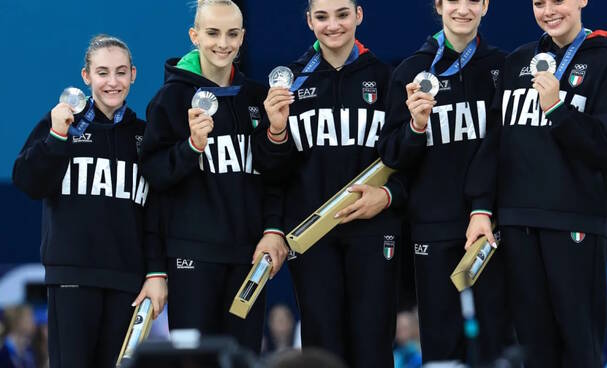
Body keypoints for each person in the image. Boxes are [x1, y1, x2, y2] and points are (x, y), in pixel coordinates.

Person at [465, 0, 607, 366]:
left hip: (576, 220)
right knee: (534, 347)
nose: (548, 11)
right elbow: (495, 141)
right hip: (518, 221)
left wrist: (557, 108)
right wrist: (481, 206)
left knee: (578, 343)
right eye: (539, 3)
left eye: (557, 1)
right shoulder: (518, 62)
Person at [254, 0, 405, 366]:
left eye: (341, 14)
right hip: (312, 237)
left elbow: (410, 162)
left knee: (373, 346)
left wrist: (386, 197)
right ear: (308, 21)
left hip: (373, 231)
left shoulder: (387, 78)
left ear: (359, 15)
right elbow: (271, 173)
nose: (332, 25)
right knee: (322, 349)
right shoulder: (288, 82)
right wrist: (275, 130)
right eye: (321, 16)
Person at [140, 0, 288, 353]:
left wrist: (272, 229)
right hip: (192, 256)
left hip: (248, 259)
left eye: (232, 34)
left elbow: (275, 175)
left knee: (243, 356)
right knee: (193, 359)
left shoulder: (256, 97)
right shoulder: (171, 99)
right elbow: (154, 177)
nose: (223, 43)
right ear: (194, 36)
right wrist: (191, 146)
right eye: (212, 33)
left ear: (243, 37)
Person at [12, 35, 168, 367]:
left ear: (134, 74)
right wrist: (56, 137)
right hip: (72, 277)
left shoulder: (144, 134)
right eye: (102, 72)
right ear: (86, 76)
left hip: (127, 284)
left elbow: (155, 213)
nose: (112, 82)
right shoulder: (62, 123)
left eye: (121, 72)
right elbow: (27, 182)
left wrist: (156, 273)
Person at [377, 0, 511, 363]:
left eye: (473, 0)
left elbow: (511, 149)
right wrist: (416, 127)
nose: (463, 9)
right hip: (433, 227)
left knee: (498, 338)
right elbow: (391, 156)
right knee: (441, 341)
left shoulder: (503, 67)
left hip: (492, 225)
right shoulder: (411, 71)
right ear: (438, 5)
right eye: (453, 0)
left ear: (485, 5)